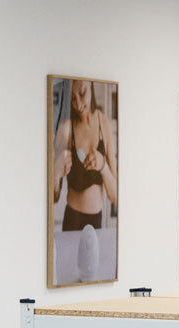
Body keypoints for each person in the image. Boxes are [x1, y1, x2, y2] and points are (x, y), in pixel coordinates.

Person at [52, 80, 118, 237]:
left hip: (96, 221)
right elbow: (53, 198)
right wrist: (55, 172)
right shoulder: (66, 129)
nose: (78, 104)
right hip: (72, 221)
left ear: (91, 86)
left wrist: (103, 166)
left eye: (82, 93)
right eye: (73, 98)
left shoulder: (104, 124)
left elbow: (115, 196)